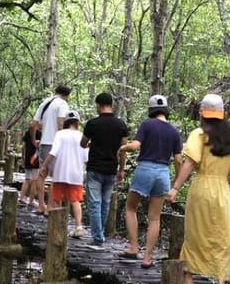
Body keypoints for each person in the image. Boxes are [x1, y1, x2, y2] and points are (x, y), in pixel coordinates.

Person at [168, 93, 230, 284]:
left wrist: (175, 187)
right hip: (222, 189)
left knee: (195, 231)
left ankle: (188, 278)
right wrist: (226, 174)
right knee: (222, 234)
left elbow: (190, 162)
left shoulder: (199, 134)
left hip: (202, 186)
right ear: (222, 114)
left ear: (202, 113)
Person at [118, 95, 183, 268]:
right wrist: (176, 180)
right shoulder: (174, 131)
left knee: (131, 208)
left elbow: (135, 146)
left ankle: (133, 248)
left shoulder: (147, 125)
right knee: (155, 218)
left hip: (145, 169)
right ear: (166, 110)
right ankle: (147, 258)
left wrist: (122, 148)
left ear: (151, 110)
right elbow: (178, 160)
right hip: (162, 172)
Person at [81, 92, 129, 247]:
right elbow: (123, 150)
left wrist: (91, 142)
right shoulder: (121, 125)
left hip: (95, 168)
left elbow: (83, 143)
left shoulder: (92, 124)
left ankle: (98, 238)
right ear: (111, 105)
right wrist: (121, 169)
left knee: (94, 204)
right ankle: (99, 234)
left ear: (98, 105)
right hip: (111, 169)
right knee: (105, 204)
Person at [39, 110, 88, 237]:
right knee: (75, 200)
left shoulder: (60, 134)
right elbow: (86, 158)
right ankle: (78, 227)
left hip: (60, 172)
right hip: (76, 173)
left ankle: (57, 227)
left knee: (56, 199)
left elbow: (53, 152)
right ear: (78, 123)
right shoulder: (82, 136)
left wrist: (44, 166)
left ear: (66, 122)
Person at [30, 85, 71, 215]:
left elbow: (33, 125)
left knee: (41, 174)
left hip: (44, 144)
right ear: (67, 95)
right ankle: (50, 208)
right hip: (55, 145)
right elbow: (61, 124)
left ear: (56, 92)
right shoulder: (62, 104)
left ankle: (41, 205)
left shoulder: (45, 103)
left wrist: (33, 140)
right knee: (56, 176)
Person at [19, 128, 42, 207]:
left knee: (27, 179)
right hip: (36, 158)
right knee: (35, 180)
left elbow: (23, 147)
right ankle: (31, 201)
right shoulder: (40, 133)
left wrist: (23, 158)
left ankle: (21, 198)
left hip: (28, 158)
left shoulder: (28, 132)